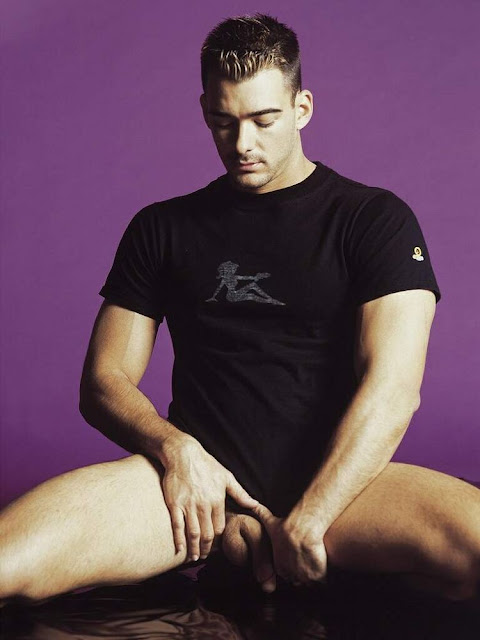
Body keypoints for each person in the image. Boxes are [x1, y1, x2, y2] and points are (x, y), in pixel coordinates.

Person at [1, 13, 479, 605]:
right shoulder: (162, 228)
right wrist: (177, 451)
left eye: (263, 120)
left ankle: (276, 552)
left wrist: (309, 518)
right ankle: (234, 541)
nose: (243, 144)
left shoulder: (374, 220)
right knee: (8, 560)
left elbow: (394, 389)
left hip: (340, 490)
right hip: (196, 493)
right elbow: (103, 382)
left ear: (302, 108)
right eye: (224, 122)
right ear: (205, 110)